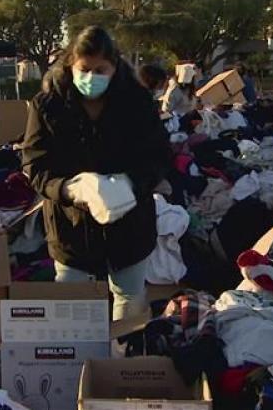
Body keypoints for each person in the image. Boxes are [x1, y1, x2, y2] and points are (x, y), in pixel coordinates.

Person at [23, 26, 172, 321]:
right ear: (70, 65)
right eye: (84, 69)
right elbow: (34, 164)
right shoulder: (47, 105)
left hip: (129, 224)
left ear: (114, 66)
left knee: (128, 298)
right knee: (71, 307)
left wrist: (129, 185)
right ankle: (77, 365)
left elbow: (159, 156)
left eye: (100, 70)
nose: (91, 77)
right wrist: (68, 189)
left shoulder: (137, 103)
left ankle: (120, 363)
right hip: (71, 226)